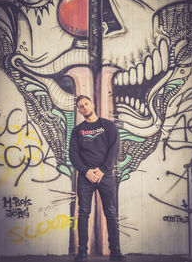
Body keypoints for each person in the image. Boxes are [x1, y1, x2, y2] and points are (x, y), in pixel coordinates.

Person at [69, 95, 126, 262]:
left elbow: (114, 149)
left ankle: (115, 251)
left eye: (86, 104)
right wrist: (86, 171)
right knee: (83, 213)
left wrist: (102, 170)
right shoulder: (77, 130)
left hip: (105, 175)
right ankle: (82, 252)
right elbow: (73, 154)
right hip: (85, 177)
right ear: (79, 110)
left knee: (110, 212)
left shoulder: (107, 126)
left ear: (92, 104)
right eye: (81, 106)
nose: (84, 107)